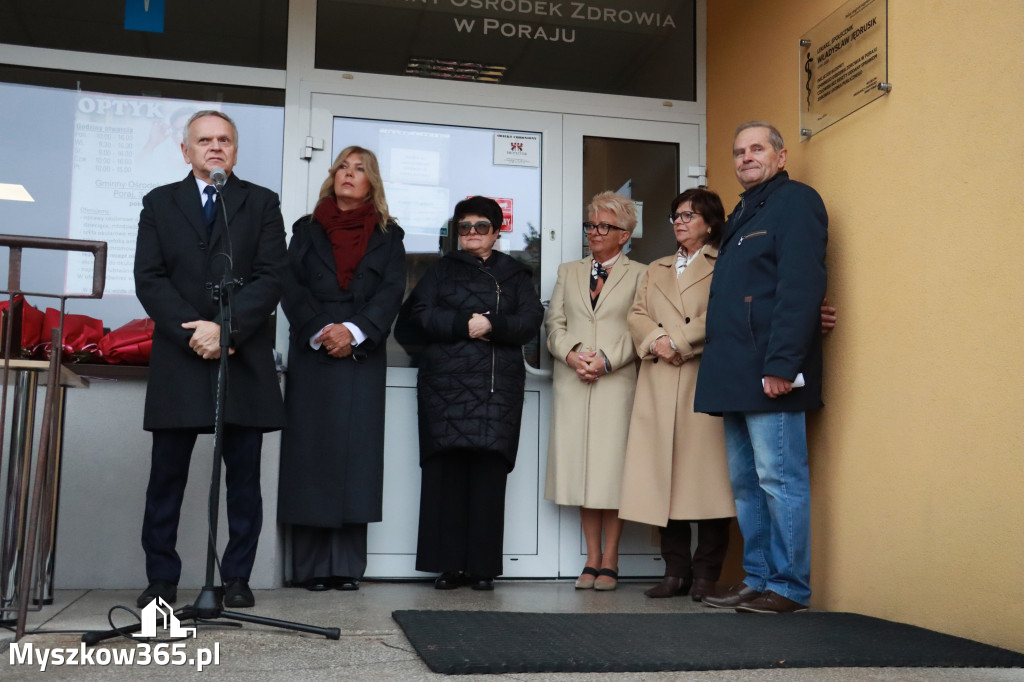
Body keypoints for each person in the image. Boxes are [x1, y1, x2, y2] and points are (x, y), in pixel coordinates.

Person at [133, 110, 287, 609]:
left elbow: (271, 276)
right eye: (204, 140)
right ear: (186, 151)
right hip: (182, 356)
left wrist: (226, 329)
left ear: (235, 150)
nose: (215, 147)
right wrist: (194, 333)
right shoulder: (159, 203)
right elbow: (149, 279)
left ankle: (236, 577)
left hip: (239, 357)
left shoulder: (261, 202)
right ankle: (161, 579)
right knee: (166, 478)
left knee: (243, 478)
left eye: (224, 140)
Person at [696, 121, 828, 614]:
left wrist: (782, 364)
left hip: (770, 373)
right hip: (732, 372)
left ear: (781, 155)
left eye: (757, 148)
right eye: (739, 151)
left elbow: (799, 286)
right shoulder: (744, 212)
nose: (746, 157)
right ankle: (757, 577)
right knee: (748, 485)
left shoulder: (796, 201)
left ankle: (790, 587)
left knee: (780, 480)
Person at [277, 147, 406, 591]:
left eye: (359, 170)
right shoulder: (306, 230)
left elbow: (391, 292)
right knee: (312, 455)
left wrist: (354, 330)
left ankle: (347, 568)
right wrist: (320, 330)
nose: (349, 176)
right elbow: (288, 285)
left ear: (372, 182)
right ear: (332, 177)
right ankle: (310, 568)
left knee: (356, 459)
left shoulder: (390, 235)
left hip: (360, 354)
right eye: (342, 169)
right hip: (313, 353)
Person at [410, 196, 544, 590]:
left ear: (497, 231)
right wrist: (460, 323)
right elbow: (417, 316)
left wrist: (492, 326)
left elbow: (530, 320)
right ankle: (449, 566)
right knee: (446, 476)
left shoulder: (516, 274)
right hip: (445, 388)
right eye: (464, 226)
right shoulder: (439, 271)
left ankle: (483, 568)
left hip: (494, 388)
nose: (471, 233)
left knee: (488, 476)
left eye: (480, 226)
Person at [619, 188, 736, 601]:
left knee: (706, 484)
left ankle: (705, 575)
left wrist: (678, 342)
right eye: (676, 215)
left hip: (702, 378)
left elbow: (722, 313)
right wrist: (655, 342)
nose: (680, 221)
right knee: (661, 479)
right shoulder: (656, 268)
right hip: (659, 381)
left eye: (689, 215)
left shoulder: (726, 262)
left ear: (710, 221)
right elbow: (636, 314)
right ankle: (675, 572)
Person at [544, 191, 644, 591]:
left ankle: (611, 558)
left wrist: (606, 359)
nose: (595, 233)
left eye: (605, 226)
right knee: (582, 471)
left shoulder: (641, 273)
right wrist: (571, 355)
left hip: (616, 381)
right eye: (591, 225)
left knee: (611, 471)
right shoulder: (568, 271)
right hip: (573, 380)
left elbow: (641, 325)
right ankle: (590, 558)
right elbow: (554, 322)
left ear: (625, 234)